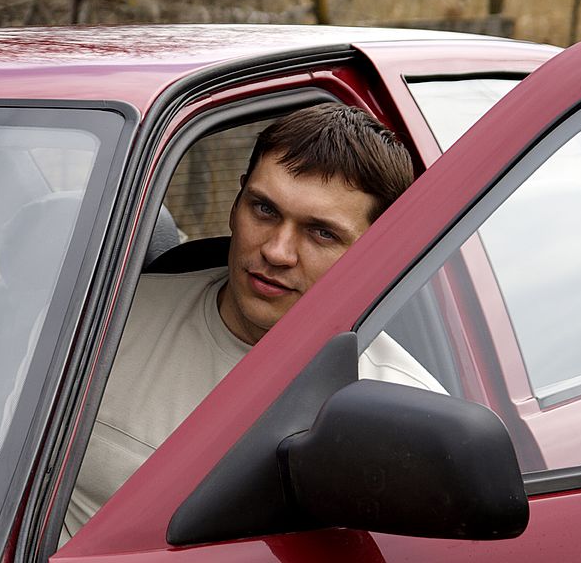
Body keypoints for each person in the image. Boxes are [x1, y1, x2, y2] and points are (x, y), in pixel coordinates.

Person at [62, 103, 446, 539]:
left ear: (376, 250)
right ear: (237, 200)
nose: (276, 252)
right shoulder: (102, 324)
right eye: (264, 209)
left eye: (321, 232)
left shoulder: (403, 413)